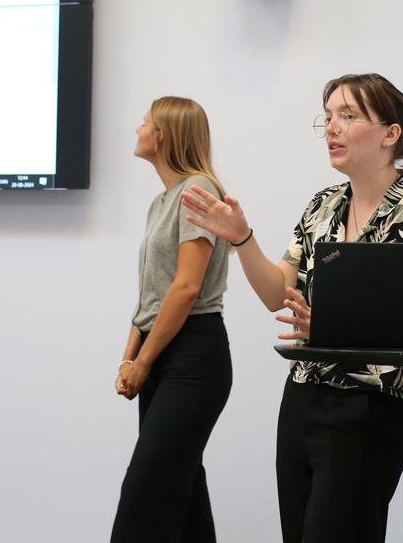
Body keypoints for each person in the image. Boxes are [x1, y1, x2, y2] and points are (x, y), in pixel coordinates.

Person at [180, 73, 403, 543]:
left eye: (347, 116)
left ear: (391, 134)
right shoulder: (322, 206)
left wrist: (330, 326)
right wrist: (242, 238)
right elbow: (277, 295)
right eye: (327, 117)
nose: (332, 128)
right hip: (303, 399)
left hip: (369, 408)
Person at [111, 96, 233, 543]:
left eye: (143, 124)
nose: (137, 130)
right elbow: (151, 295)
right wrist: (130, 359)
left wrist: (142, 363)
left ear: (161, 136)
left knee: (147, 493)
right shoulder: (162, 201)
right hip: (161, 351)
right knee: (182, 495)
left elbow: (185, 289)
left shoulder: (198, 190)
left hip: (193, 357)